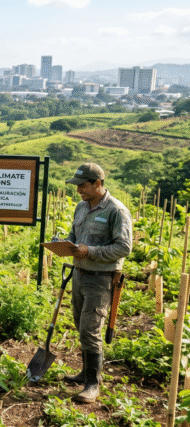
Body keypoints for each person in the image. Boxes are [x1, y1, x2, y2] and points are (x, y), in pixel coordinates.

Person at [63, 163, 132, 404]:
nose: (79, 190)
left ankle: (93, 384)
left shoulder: (116, 210)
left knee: (90, 330)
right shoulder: (81, 207)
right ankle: (85, 372)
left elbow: (124, 247)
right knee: (79, 324)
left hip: (101, 279)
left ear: (98, 184)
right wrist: (66, 244)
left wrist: (89, 251)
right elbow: (74, 235)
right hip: (80, 275)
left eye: (83, 185)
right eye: (77, 186)